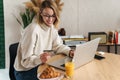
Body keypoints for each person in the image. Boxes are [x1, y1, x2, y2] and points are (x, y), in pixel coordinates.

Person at [14, 0, 74, 80]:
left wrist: (69, 51)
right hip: (25, 71)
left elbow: (58, 46)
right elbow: (25, 61)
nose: (50, 19)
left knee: (62, 74)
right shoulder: (32, 30)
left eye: (53, 16)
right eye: (47, 15)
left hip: (40, 65)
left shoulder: (51, 27)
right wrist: (40, 59)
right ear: (40, 13)